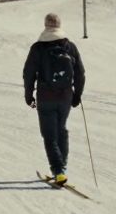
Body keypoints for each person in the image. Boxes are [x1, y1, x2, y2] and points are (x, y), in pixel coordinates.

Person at [22, 13, 85, 185]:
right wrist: (77, 95)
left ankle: (58, 171)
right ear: (59, 25)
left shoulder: (38, 48)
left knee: (49, 135)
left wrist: (29, 95)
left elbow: (29, 73)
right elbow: (80, 73)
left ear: (45, 25)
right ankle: (62, 168)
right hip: (65, 96)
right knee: (61, 130)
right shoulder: (69, 46)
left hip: (45, 96)